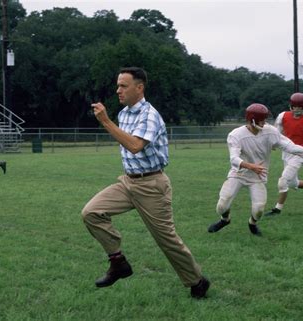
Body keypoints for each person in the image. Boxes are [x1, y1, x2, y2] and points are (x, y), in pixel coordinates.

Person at [81, 67, 210, 299]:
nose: (117, 89)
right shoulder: (124, 114)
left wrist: (105, 122)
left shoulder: (149, 115)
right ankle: (118, 263)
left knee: (166, 240)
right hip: (127, 182)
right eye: (118, 85)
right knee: (91, 212)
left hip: (152, 185)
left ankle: (197, 281)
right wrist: (112, 121)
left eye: (123, 85)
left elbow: (135, 145)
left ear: (139, 88)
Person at [207, 103, 303, 237]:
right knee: (222, 205)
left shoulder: (270, 132)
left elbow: (288, 145)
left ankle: (252, 224)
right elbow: (233, 159)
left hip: (257, 177)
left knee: (258, 209)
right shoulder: (236, 135)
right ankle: (225, 220)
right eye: (262, 119)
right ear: (252, 119)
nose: (265, 122)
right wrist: (251, 166)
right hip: (238, 174)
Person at [265, 93, 303, 216]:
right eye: (295, 106)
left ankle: (277, 209)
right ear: (290, 106)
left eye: (299, 106)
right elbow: (276, 132)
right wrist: (272, 143)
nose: (297, 109)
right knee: (292, 182)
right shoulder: (283, 116)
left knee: (283, 181)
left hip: (301, 153)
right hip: (287, 152)